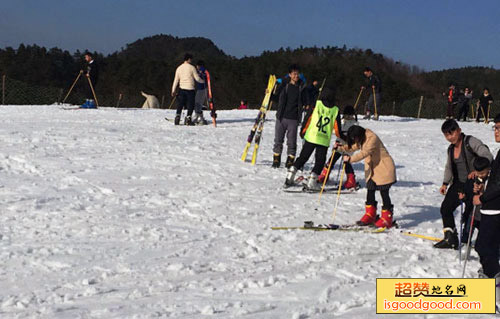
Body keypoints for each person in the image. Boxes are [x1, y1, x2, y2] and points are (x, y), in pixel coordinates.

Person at [435, 119, 492, 249]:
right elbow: (449, 167)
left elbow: (487, 155)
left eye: (452, 133)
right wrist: (445, 183)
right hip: (458, 184)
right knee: (446, 208)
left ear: (459, 130)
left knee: (470, 213)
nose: (450, 137)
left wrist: (477, 171)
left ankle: (470, 240)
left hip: (474, 183)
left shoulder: (470, 142)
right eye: (447, 135)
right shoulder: (450, 149)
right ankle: (450, 237)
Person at [337, 125, 396, 228]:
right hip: (373, 170)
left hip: (384, 168)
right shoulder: (363, 138)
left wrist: (350, 160)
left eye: (354, 138)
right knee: (370, 190)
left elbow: (364, 153)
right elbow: (354, 147)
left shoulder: (372, 138)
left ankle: (387, 218)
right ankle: (370, 214)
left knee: (384, 192)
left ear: (358, 135)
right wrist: (341, 148)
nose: (354, 140)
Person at [284, 90, 340, 190]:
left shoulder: (316, 104)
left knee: (303, 157)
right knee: (320, 161)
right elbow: (337, 128)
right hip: (323, 140)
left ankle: (290, 174)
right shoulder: (335, 110)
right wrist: (341, 138)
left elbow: (308, 118)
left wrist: (303, 131)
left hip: (311, 136)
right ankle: (312, 180)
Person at [472, 115, 500, 296]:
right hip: (492, 205)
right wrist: (484, 184)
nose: (496, 131)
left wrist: (481, 199)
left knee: (483, 246)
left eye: (498, 127)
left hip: (495, 208)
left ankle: (493, 279)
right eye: (495, 127)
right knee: (491, 246)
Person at [272, 64, 310, 168]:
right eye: (294, 74)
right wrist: (270, 95)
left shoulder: (302, 87)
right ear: (290, 74)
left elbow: (306, 100)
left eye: (298, 74)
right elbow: (276, 98)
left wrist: (307, 105)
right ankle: (276, 159)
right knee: (278, 139)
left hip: (294, 118)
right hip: (281, 117)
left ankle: (290, 160)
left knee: (292, 141)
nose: (296, 76)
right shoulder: (284, 85)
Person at [318, 104, 358, 190]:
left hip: (348, 147)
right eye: (347, 115)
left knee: (346, 162)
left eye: (350, 115)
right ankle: (324, 175)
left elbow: (354, 136)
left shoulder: (355, 124)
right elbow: (335, 131)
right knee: (332, 159)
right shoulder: (342, 121)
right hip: (339, 145)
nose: (348, 117)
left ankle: (351, 179)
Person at [171, 53, 204, 126]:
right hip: (190, 89)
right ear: (189, 59)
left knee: (180, 104)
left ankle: (177, 116)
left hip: (181, 89)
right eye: (191, 59)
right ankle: (188, 119)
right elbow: (197, 78)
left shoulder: (179, 68)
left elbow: (176, 80)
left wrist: (173, 90)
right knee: (190, 105)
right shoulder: (192, 68)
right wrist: (204, 81)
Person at [193, 60, 208, 125]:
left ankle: (198, 117)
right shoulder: (204, 70)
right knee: (199, 103)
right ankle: (200, 117)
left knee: (197, 103)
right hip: (202, 88)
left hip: (201, 88)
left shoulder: (200, 70)